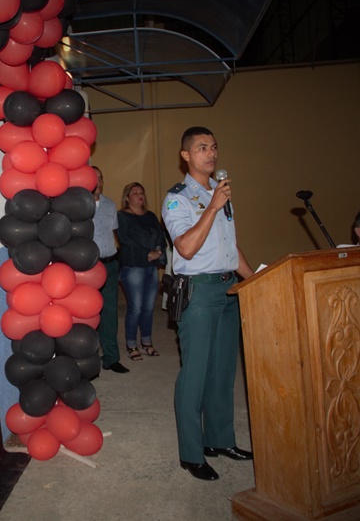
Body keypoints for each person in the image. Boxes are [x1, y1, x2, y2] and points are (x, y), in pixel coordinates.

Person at [162, 126, 254, 481]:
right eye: (202, 148)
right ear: (186, 155)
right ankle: (191, 453)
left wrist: (254, 280)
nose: (211, 153)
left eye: (214, 147)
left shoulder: (221, 192)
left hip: (228, 290)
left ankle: (220, 439)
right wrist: (212, 207)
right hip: (199, 293)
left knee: (223, 371)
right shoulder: (178, 199)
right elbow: (185, 247)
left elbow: (230, 246)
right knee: (195, 374)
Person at [116, 182, 166, 362]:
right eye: (135, 192)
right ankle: (131, 345)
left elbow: (160, 235)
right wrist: (147, 253)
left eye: (142, 192)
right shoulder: (122, 216)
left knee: (149, 308)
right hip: (133, 266)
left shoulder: (150, 215)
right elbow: (126, 240)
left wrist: (158, 251)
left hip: (151, 267)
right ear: (127, 197)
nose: (140, 195)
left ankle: (146, 342)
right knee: (136, 308)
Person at [91, 166, 129, 374]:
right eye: (94, 178)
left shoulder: (110, 205)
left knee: (110, 313)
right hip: (89, 268)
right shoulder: (78, 206)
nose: (99, 182)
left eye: (101, 178)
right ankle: (88, 361)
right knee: (89, 313)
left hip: (110, 264)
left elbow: (113, 233)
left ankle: (111, 358)